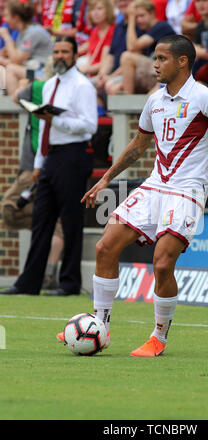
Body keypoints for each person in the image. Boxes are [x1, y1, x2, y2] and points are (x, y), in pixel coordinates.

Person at [56, 34, 208, 356]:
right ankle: (100, 324)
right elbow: (138, 146)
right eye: (155, 58)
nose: (155, 64)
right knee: (105, 246)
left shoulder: (203, 97)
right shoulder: (155, 100)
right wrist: (105, 178)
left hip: (187, 190)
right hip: (154, 185)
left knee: (162, 264)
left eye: (162, 58)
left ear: (182, 62)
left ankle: (159, 337)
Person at [0, 36, 98, 297]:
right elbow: (42, 125)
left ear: (75, 55)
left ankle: (69, 282)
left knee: (70, 220)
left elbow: (90, 125)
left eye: (65, 52)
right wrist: (38, 163)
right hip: (51, 156)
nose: (60, 56)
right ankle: (28, 282)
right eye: (56, 52)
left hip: (74, 155)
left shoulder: (82, 86)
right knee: (41, 219)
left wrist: (58, 121)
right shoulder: (49, 85)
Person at [117, 0, 175, 94]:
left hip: (167, 72)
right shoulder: (144, 30)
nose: (139, 20)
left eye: (142, 16)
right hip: (154, 72)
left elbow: (131, 47)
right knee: (115, 87)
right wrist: (111, 77)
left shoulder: (161, 26)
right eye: (136, 17)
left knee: (127, 57)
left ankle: (127, 103)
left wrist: (131, 19)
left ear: (152, 13)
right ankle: (127, 103)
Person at [0, 1, 53, 96]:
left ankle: (14, 107)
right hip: (33, 70)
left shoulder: (34, 32)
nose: (4, 19)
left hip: (43, 74)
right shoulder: (23, 33)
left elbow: (16, 61)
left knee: (11, 69)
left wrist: (6, 36)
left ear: (16, 18)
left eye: (7, 15)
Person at [94, 0, 144, 96]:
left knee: (110, 85)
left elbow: (135, 55)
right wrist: (102, 75)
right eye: (119, 1)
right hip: (115, 73)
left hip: (131, 74)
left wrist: (110, 77)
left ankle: (126, 110)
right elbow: (111, 55)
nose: (123, 3)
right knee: (93, 84)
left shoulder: (140, 24)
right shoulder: (118, 26)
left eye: (126, 1)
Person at [77, 0, 116, 77]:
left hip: (100, 75)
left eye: (99, 9)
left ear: (107, 11)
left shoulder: (112, 30)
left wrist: (80, 70)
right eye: (92, 10)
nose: (95, 13)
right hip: (89, 72)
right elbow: (90, 55)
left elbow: (104, 63)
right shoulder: (95, 30)